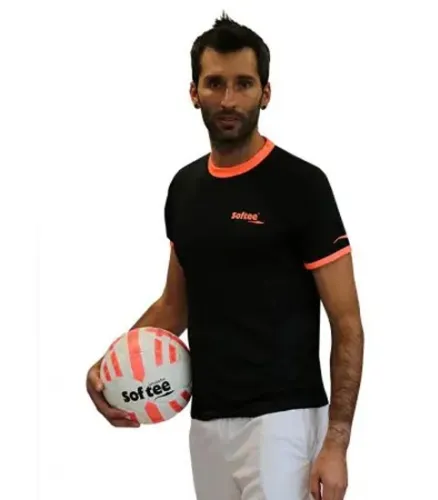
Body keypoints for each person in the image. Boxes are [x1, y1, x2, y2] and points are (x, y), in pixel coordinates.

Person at [86, 13, 364, 500]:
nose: (229, 99)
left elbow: (347, 323)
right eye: (215, 83)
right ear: (194, 92)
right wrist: (109, 364)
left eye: (243, 84)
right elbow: (174, 306)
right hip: (207, 423)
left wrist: (336, 443)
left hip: (284, 422)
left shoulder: (302, 185)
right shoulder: (185, 188)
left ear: (266, 93)